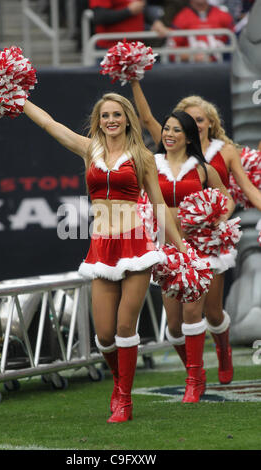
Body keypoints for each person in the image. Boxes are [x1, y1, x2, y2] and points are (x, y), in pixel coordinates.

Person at [23, 92, 187, 422]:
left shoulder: (142, 156)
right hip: (102, 247)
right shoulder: (90, 150)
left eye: (116, 114)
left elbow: (158, 205)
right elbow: (49, 124)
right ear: (99, 121)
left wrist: (182, 248)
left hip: (136, 246)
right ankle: (118, 382)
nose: (111, 120)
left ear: (127, 119)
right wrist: (18, 98)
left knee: (127, 326)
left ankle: (124, 400)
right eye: (104, 115)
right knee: (104, 335)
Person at [130, 79, 261, 384]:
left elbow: (241, 192)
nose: (193, 126)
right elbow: (148, 120)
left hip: (206, 244)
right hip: (169, 245)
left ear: (209, 123)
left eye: (199, 120)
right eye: (186, 121)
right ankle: (195, 370)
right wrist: (134, 79)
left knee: (211, 313)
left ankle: (220, 353)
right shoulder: (160, 157)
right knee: (174, 325)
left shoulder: (220, 154)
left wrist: (213, 219)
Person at [146, 110, 235, 402]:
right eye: (166, 130)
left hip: (196, 249)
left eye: (176, 130)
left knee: (195, 314)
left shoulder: (202, 168)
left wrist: (219, 221)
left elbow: (227, 199)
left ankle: (196, 379)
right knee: (173, 327)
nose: (168, 135)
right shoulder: (151, 164)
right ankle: (195, 370)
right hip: (165, 251)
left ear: (188, 137)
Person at [89, 0, 169, 51]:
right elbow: (99, 17)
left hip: (136, 49)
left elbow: (142, 8)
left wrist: (155, 22)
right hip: (111, 50)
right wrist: (128, 11)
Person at [169, 0, 235, 62]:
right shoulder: (181, 18)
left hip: (221, 66)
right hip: (192, 68)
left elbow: (235, 43)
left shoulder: (223, 15)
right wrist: (193, 57)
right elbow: (171, 51)